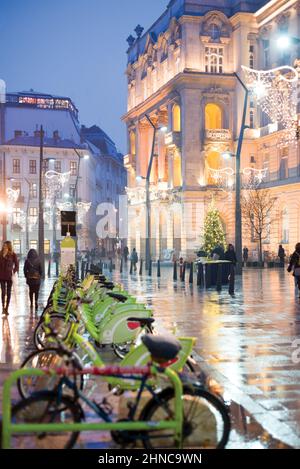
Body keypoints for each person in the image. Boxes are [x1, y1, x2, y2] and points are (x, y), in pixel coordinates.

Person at [0, 241, 19, 315]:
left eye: (5, 245)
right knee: (3, 292)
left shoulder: (13, 254)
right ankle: (3, 307)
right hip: (1, 276)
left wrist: (13, 272)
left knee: (8, 293)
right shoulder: (0, 253)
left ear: (9, 246)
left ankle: (6, 308)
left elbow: (17, 265)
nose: (4, 247)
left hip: (9, 276)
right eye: (3, 245)